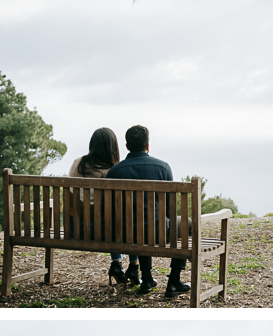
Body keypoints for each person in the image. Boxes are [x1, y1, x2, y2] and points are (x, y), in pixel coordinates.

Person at [107, 125, 191, 299]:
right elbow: (169, 209)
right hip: (156, 232)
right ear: (148, 145)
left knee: (140, 226)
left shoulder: (115, 171)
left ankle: (146, 278)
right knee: (186, 223)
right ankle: (174, 281)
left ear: (127, 146)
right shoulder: (163, 168)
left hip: (124, 234)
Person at [68, 128, 125, 283]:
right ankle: (119, 263)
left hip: (72, 228)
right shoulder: (111, 172)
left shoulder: (77, 163)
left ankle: (117, 265)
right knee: (120, 222)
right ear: (113, 147)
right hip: (98, 231)